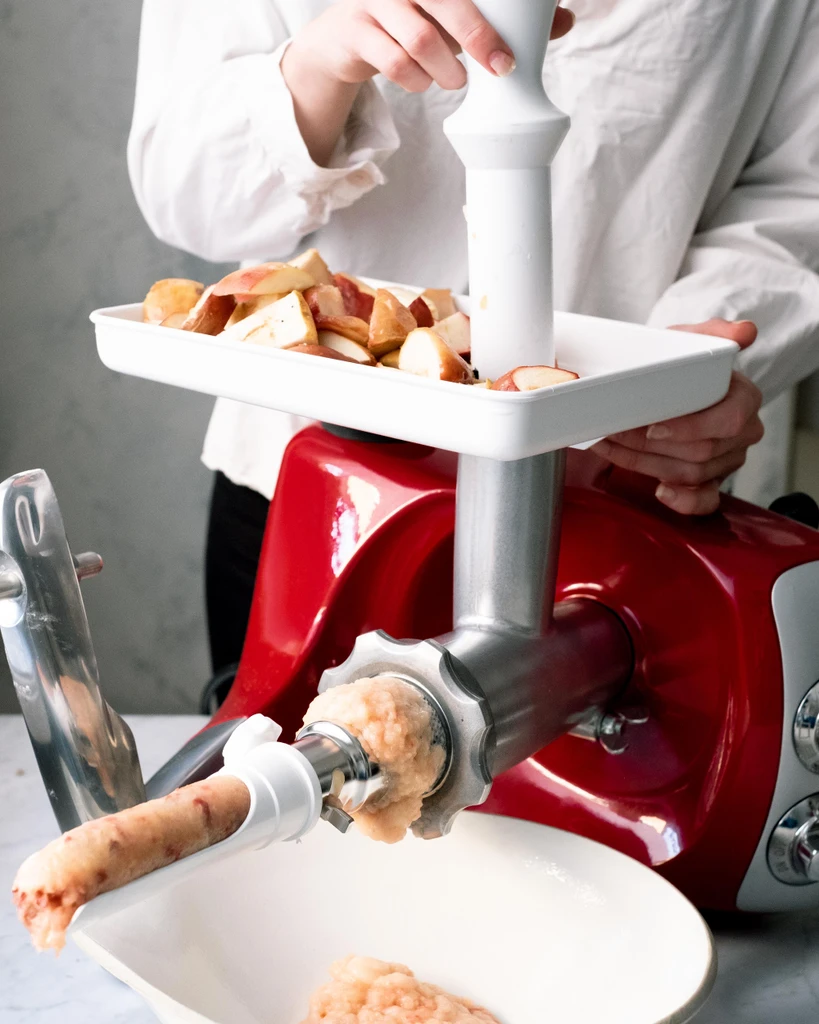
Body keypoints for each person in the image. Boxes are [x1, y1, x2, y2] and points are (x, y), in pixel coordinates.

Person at [128, 0, 819, 678]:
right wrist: (316, 68)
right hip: (314, 485)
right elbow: (189, 196)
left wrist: (686, 363)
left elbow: (797, 194)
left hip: (617, 496)